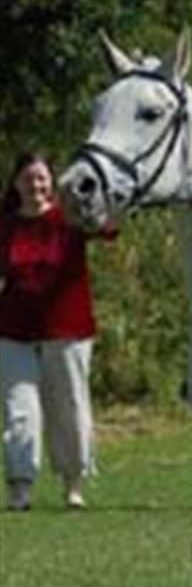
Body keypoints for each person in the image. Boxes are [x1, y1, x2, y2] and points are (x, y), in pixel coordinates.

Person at [0, 151, 113, 511]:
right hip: (14, 330)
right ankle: (21, 487)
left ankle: (73, 483)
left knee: (70, 407)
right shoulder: (6, 224)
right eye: (28, 179)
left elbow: (108, 226)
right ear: (16, 183)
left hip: (67, 329)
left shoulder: (69, 217)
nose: (35, 185)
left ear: (52, 182)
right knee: (20, 409)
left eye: (41, 179)